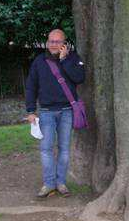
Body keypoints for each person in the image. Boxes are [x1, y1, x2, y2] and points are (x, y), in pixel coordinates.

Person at [26, 29, 85, 197]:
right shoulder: (39, 61)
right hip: (46, 113)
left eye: (57, 41)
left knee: (64, 149)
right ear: (47, 42)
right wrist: (31, 110)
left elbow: (79, 78)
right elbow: (31, 87)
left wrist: (64, 60)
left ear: (64, 43)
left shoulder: (73, 58)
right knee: (46, 149)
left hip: (67, 111)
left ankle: (61, 183)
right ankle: (49, 184)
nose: (53, 44)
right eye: (51, 41)